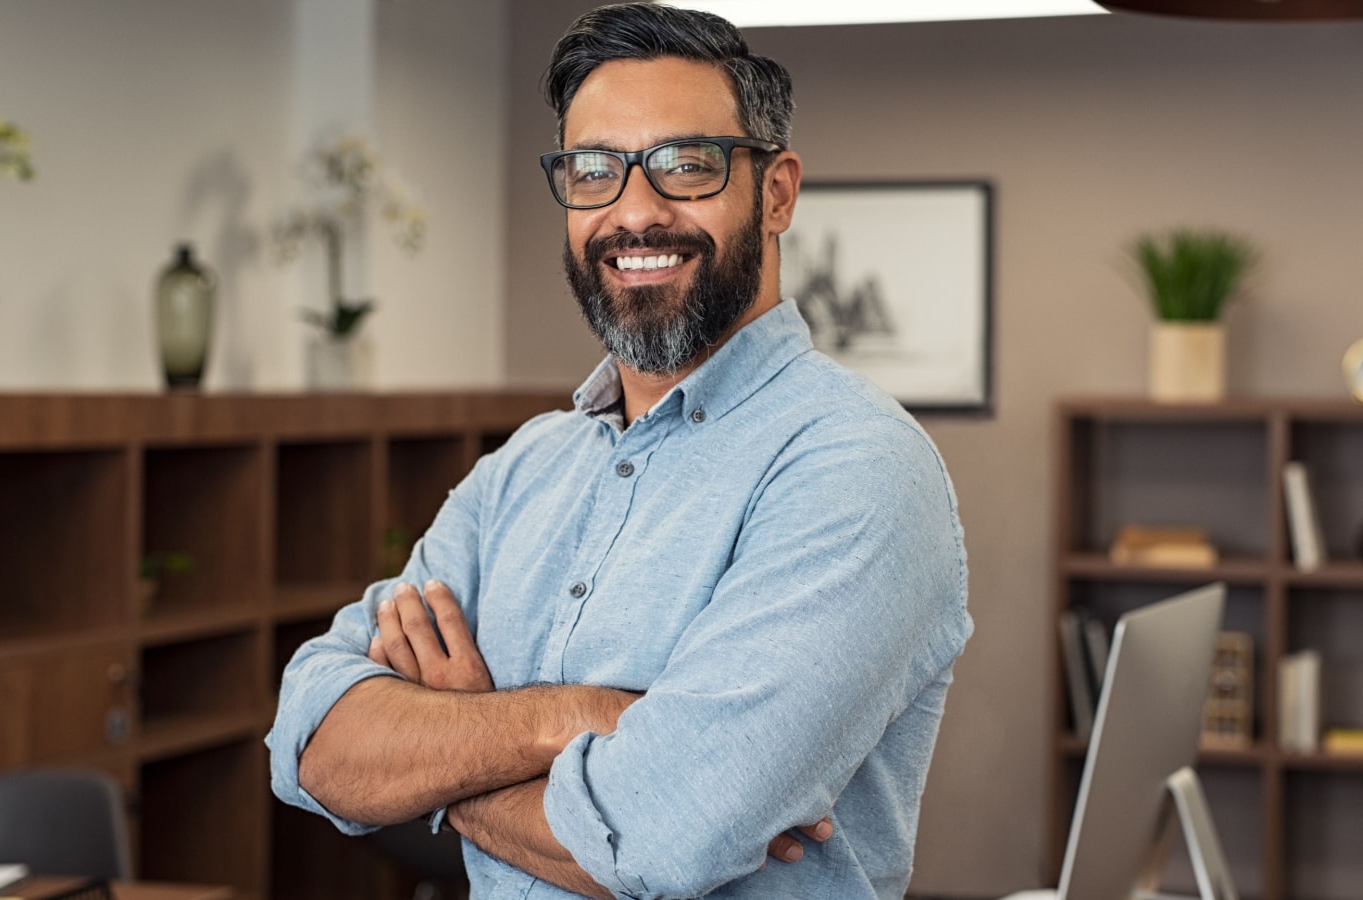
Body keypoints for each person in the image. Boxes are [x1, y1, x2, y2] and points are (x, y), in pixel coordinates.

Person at [266, 4, 972, 898]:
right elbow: (309, 739)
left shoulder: (856, 468)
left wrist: (441, 757)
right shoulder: (523, 470)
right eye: (594, 170)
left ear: (778, 191)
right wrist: (581, 720)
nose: (634, 212)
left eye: (685, 165)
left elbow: (660, 842)